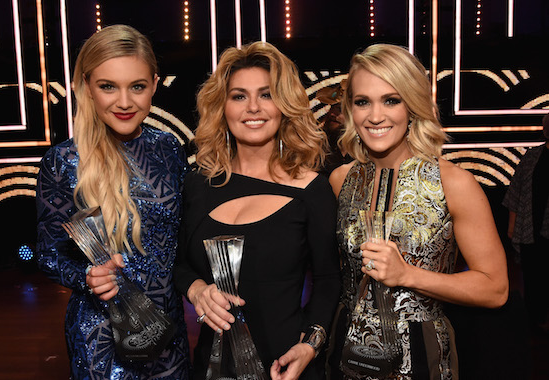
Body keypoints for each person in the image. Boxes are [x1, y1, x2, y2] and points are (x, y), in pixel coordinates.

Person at [328, 44, 508, 379]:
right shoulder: (341, 180)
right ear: (350, 109)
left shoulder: (453, 183)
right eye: (362, 101)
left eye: (391, 100)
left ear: (412, 105)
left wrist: (408, 275)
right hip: (347, 352)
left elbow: (495, 289)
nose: (375, 115)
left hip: (421, 355)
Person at [174, 41, 341, 380]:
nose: (253, 107)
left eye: (266, 95)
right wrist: (196, 290)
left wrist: (310, 344)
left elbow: (329, 280)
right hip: (212, 365)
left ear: (284, 105)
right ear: (222, 106)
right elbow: (179, 264)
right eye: (239, 96)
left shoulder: (311, 189)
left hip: (285, 365)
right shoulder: (198, 185)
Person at [35, 25, 190, 379]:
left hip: (168, 334)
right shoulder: (63, 161)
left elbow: (181, 242)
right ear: (87, 85)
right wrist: (87, 277)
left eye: (137, 86)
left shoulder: (168, 148)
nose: (124, 102)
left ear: (154, 83)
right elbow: (47, 253)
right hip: (102, 338)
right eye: (108, 86)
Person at [503, 113, 549, 334]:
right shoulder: (533, 156)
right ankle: (535, 320)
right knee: (532, 277)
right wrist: (512, 225)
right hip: (531, 229)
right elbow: (516, 190)